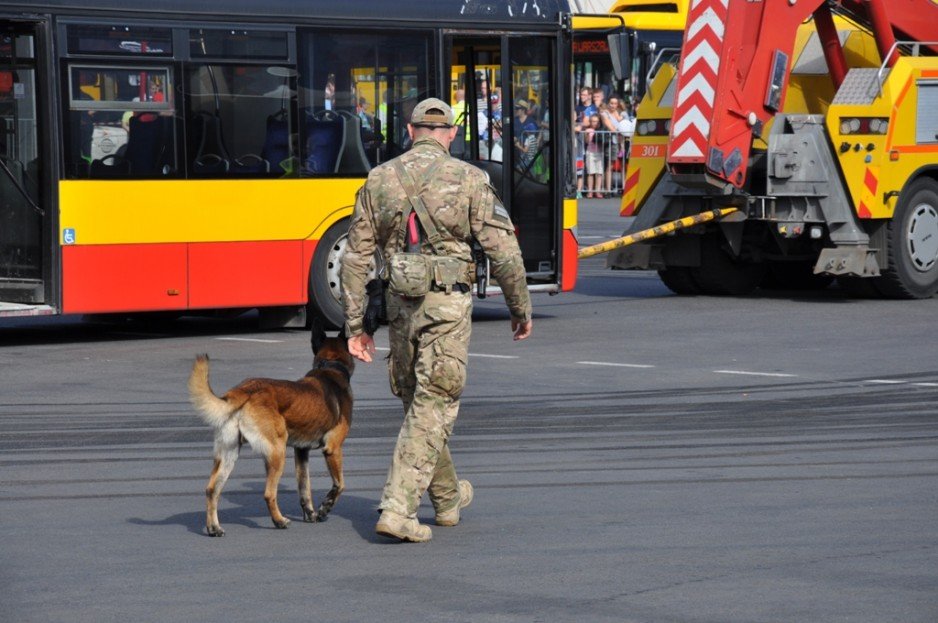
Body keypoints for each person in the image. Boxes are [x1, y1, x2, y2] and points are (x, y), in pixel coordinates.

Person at [341, 97, 533, 543]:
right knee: (435, 400)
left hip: (399, 305)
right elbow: (504, 252)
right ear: (449, 134)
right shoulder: (470, 178)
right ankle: (398, 507)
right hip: (448, 306)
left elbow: (355, 258)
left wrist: (356, 327)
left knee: (419, 400)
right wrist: (519, 310)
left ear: (410, 132)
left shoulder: (378, 178)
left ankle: (447, 500)